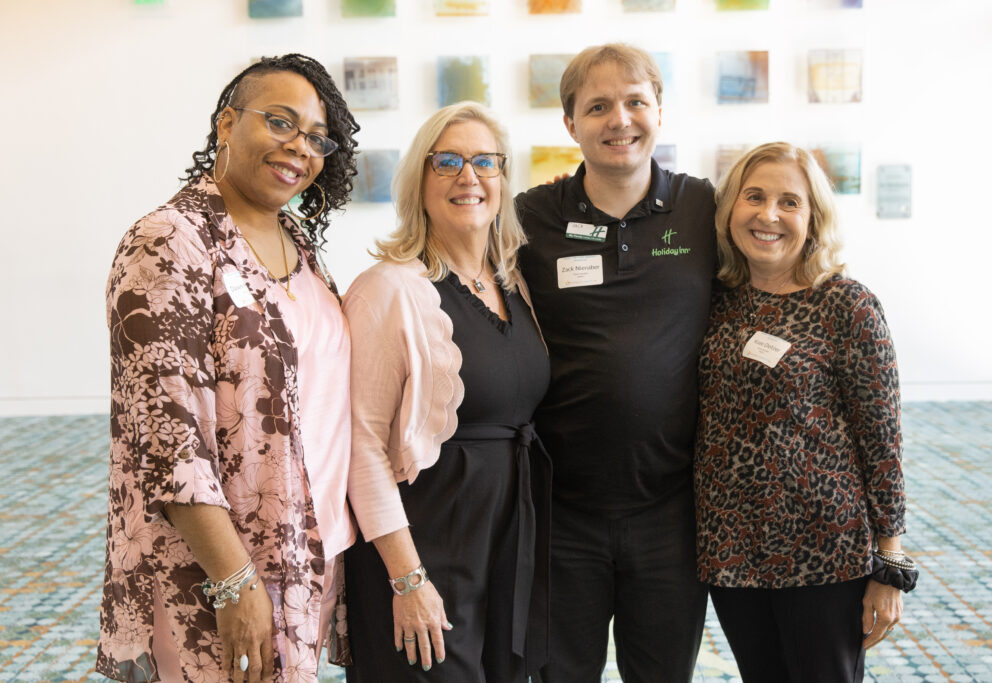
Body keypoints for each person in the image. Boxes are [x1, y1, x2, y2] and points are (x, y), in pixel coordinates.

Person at [98, 53, 439, 683]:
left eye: (315, 137)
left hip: (308, 549)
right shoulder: (171, 239)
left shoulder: (298, 246)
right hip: (214, 570)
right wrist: (234, 580)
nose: (299, 147)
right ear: (226, 123)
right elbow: (169, 438)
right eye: (280, 122)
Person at [515, 44, 715, 682]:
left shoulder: (703, 209)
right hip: (561, 509)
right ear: (570, 122)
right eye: (597, 106)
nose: (618, 119)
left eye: (635, 102)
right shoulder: (529, 218)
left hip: (671, 511)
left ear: (660, 111)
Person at [342, 102, 551, 682]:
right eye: (449, 162)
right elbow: (361, 445)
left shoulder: (512, 282)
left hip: (501, 546)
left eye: (486, 161)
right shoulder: (388, 289)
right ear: (419, 181)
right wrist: (408, 580)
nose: (469, 176)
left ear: (504, 178)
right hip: (422, 552)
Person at [695, 141, 918, 683]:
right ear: (730, 210)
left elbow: (882, 438)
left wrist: (891, 561)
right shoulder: (713, 300)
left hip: (823, 555)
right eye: (754, 197)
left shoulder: (847, 306)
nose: (768, 215)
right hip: (731, 553)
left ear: (813, 217)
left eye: (789, 202)